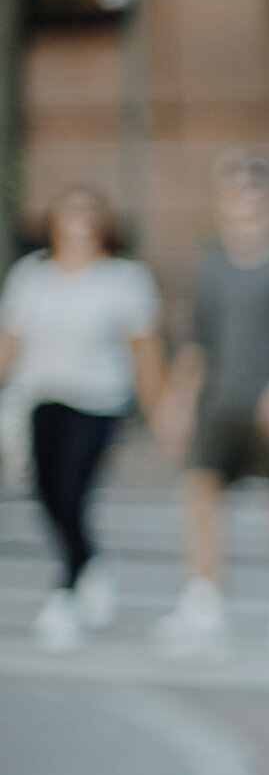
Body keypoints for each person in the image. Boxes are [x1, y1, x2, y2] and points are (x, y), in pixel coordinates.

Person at [152, 150, 269, 659]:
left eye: (254, 189)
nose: (244, 200)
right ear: (221, 199)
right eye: (233, 190)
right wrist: (178, 400)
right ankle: (204, 605)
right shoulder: (210, 263)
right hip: (219, 406)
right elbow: (197, 343)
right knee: (200, 493)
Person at [0, 187, 165, 651]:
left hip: (98, 401)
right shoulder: (31, 277)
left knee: (73, 491)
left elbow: (145, 353)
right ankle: (91, 561)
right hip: (41, 398)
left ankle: (65, 593)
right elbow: (9, 346)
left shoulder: (124, 280)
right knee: (46, 494)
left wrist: (160, 413)